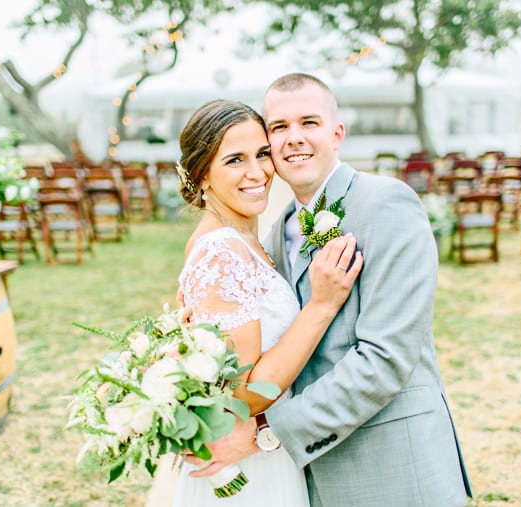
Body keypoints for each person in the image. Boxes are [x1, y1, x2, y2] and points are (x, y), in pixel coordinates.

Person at [187, 73, 473, 506]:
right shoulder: (277, 229)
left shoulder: (387, 203)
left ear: (337, 134)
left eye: (309, 123)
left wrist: (268, 431)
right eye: (278, 128)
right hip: (312, 476)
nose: (293, 139)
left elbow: (385, 359)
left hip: (392, 465)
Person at [171, 99, 363, 506]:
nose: (257, 172)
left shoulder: (245, 240)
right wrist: (322, 306)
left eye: (262, 154)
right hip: (250, 468)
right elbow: (244, 393)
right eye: (235, 160)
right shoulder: (221, 252)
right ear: (202, 174)